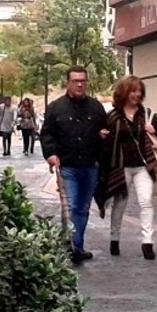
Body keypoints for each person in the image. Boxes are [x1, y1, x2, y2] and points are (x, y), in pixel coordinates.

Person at [40, 66, 106, 263]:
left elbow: (105, 130)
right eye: (75, 81)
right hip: (67, 166)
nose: (79, 85)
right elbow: (47, 134)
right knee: (70, 207)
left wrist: (103, 136)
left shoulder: (96, 107)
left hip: (89, 166)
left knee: (83, 208)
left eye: (82, 81)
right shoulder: (56, 108)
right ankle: (72, 247)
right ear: (67, 83)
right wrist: (51, 154)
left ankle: (75, 245)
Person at [97, 76, 157, 260]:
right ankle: (114, 238)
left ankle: (147, 242)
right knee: (120, 203)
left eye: (139, 91)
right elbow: (105, 138)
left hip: (143, 166)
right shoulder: (113, 116)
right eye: (133, 91)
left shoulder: (147, 114)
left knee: (146, 201)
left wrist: (153, 130)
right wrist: (102, 135)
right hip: (121, 166)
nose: (137, 94)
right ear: (124, 93)